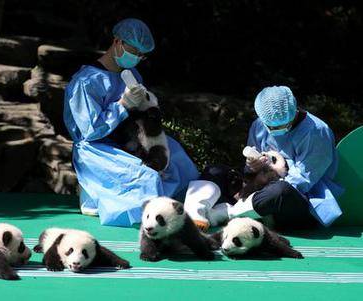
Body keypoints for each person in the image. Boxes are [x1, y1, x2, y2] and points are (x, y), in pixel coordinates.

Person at [63, 18, 199, 227]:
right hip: (97, 148)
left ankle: (192, 208)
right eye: (134, 51)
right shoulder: (86, 81)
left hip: (127, 139)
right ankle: (93, 195)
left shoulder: (132, 73)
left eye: (141, 55)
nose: (137, 58)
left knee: (177, 158)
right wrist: (123, 105)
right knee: (147, 178)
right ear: (117, 42)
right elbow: (90, 131)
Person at [207, 86, 343, 229]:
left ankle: (229, 212)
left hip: (299, 203)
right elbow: (250, 171)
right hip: (258, 192)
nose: (276, 131)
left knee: (282, 190)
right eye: (270, 126)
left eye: (284, 125)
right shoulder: (259, 125)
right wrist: (252, 166)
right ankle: (197, 214)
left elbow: (301, 182)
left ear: (294, 111)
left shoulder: (316, 132)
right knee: (215, 171)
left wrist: (279, 173)